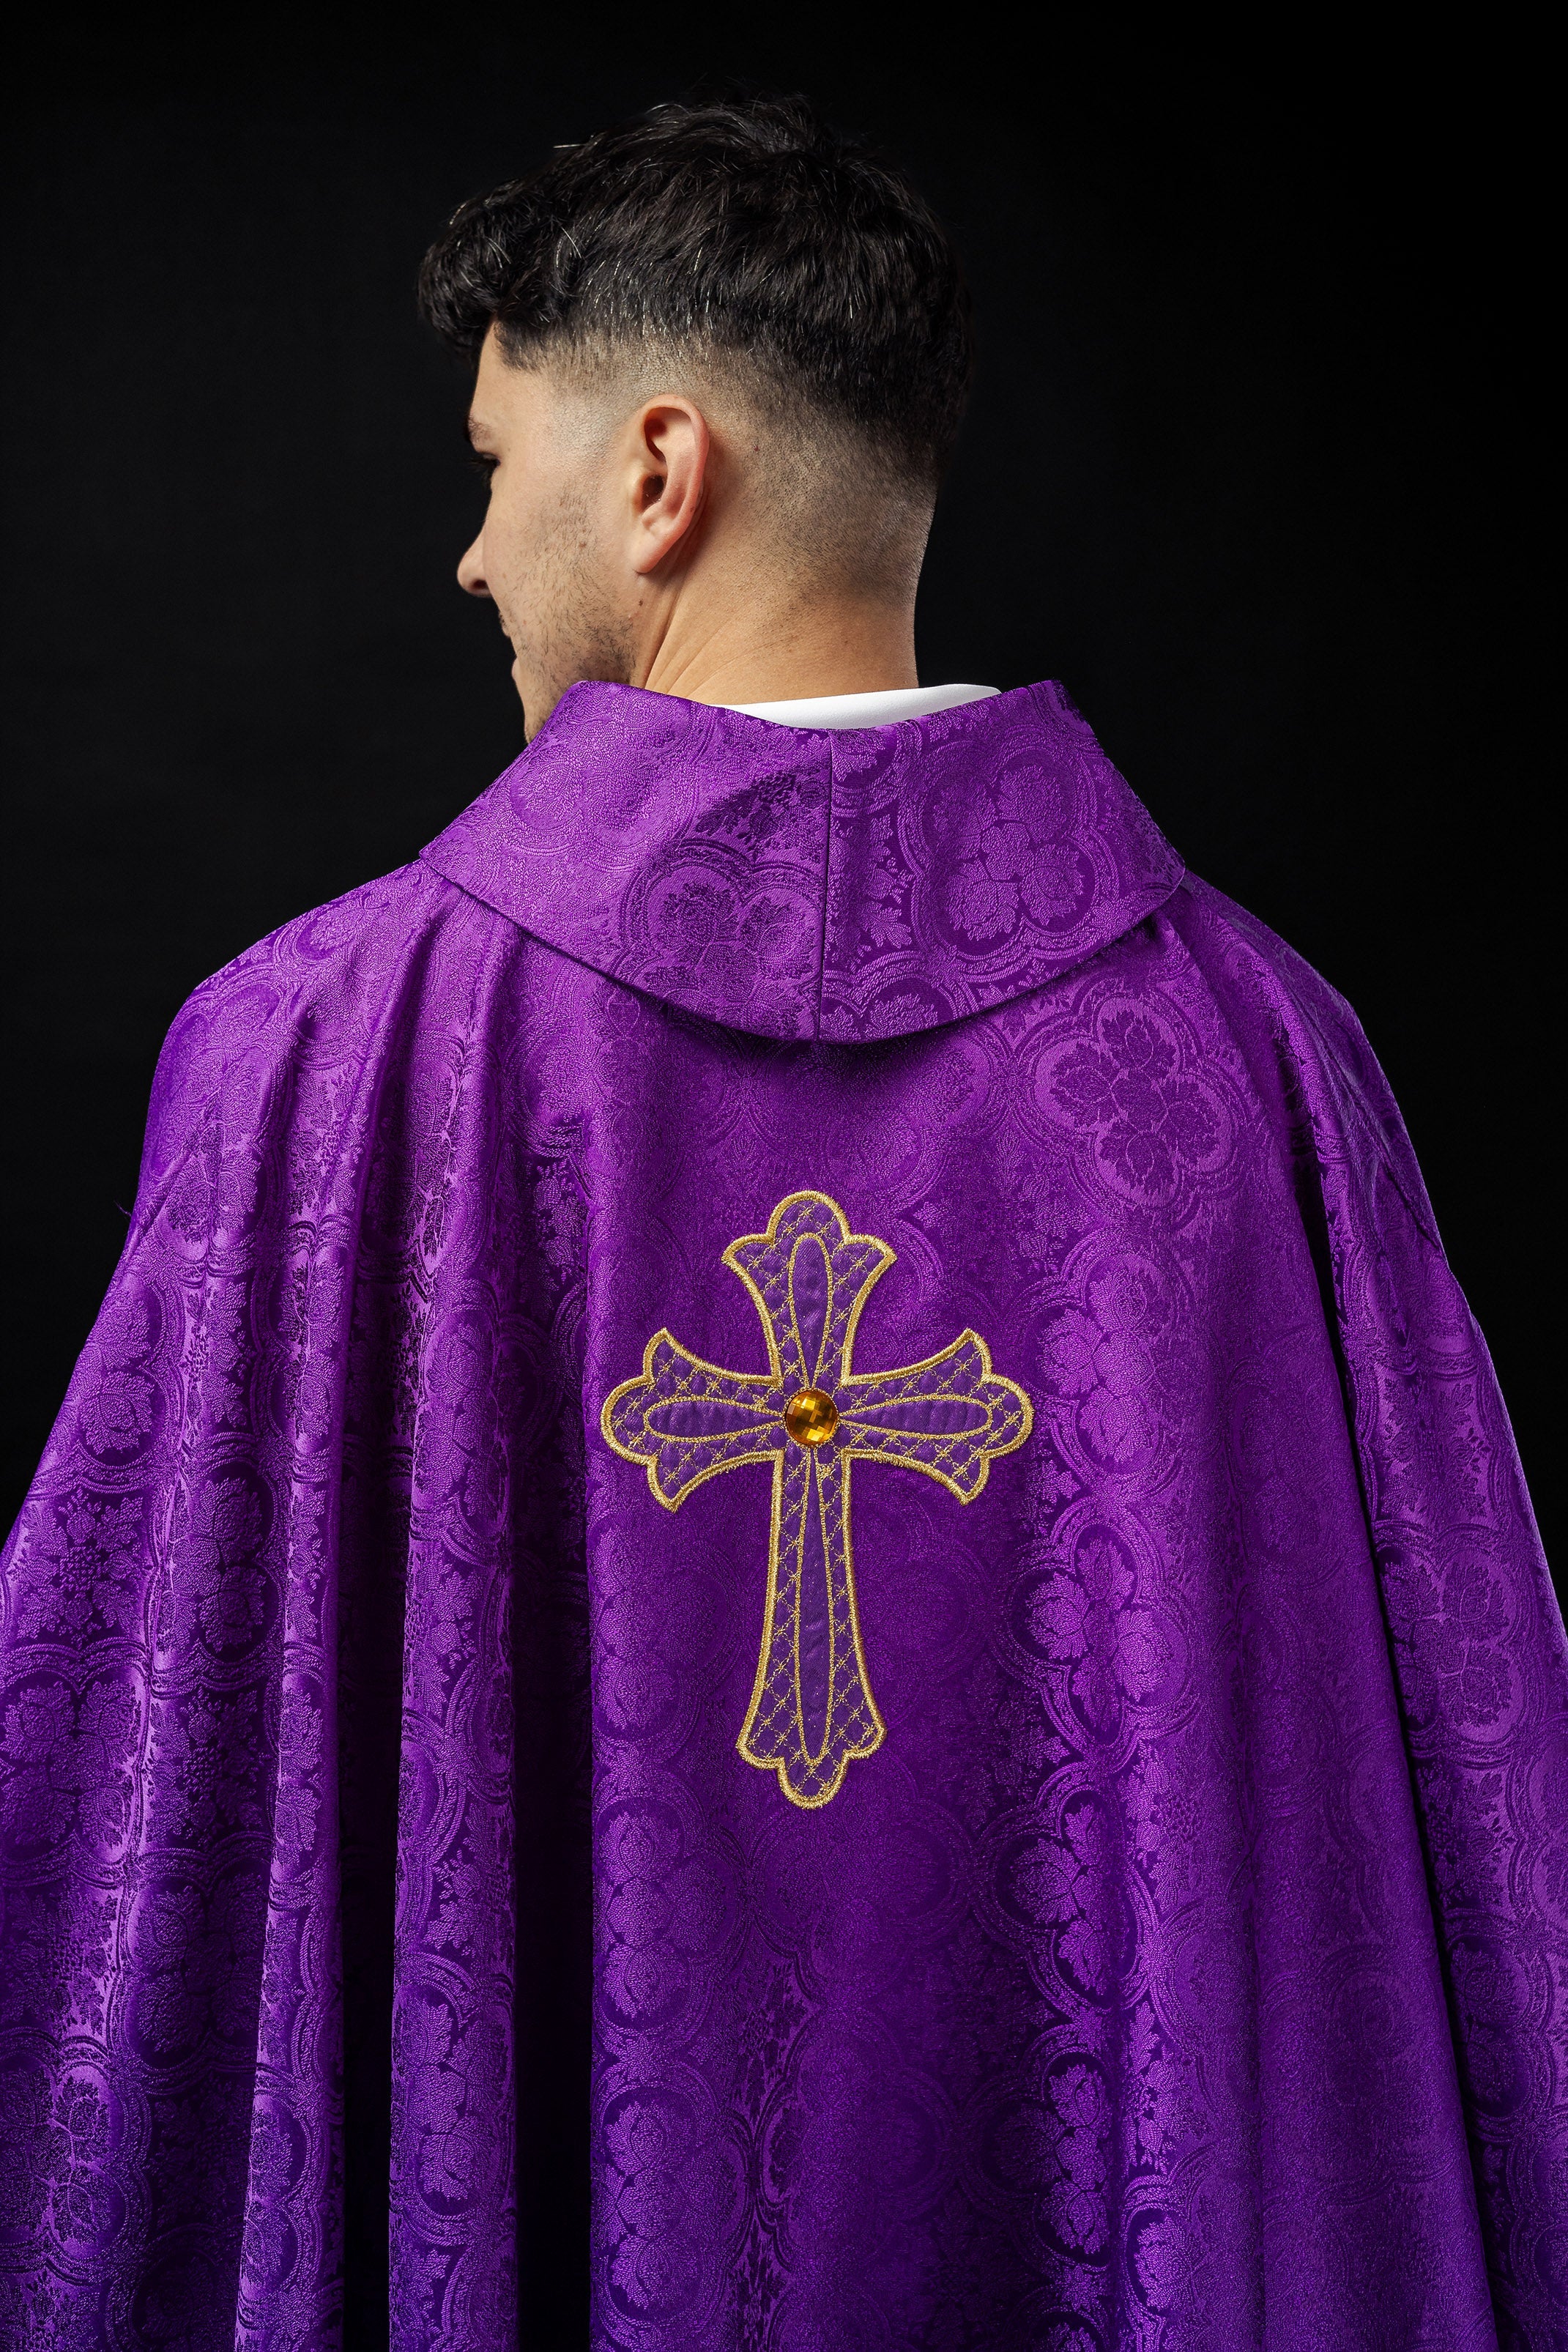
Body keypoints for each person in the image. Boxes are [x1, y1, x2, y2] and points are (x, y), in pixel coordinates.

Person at [1, 91, 1561, 2352]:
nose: (466, 555)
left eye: (489, 463)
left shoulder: (315, 1063)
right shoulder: (1260, 1075)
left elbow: (101, 1866)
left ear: (656, 472)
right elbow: (1489, 1874)